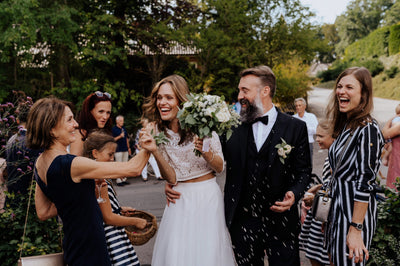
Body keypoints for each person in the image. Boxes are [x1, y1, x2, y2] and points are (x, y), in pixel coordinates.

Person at [27, 97, 175, 265]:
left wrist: (82, 195)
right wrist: (148, 140)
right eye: (69, 120)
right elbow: (132, 168)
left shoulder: (40, 161)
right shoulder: (70, 164)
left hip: (73, 246)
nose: (76, 124)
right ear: (52, 130)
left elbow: (43, 211)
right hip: (91, 249)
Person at [218, 65, 312, 265]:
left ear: (265, 91)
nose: (239, 95)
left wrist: (294, 194)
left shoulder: (295, 127)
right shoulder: (230, 127)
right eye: (239, 90)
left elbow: (303, 171)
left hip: (282, 220)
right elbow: (211, 161)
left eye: (245, 90)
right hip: (243, 221)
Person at [143, 74, 236, 266]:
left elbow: (219, 168)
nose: (162, 102)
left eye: (168, 97)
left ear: (181, 99)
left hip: (207, 196)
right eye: (159, 98)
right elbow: (171, 176)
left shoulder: (202, 125)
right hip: (179, 198)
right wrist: (155, 151)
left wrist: (205, 151)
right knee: (177, 255)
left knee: (208, 254)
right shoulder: (157, 131)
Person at [325, 67, 384, 265]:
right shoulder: (349, 125)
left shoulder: (368, 129)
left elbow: (365, 182)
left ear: (363, 95)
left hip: (353, 218)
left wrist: (355, 230)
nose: (341, 91)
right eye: (339, 86)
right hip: (338, 214)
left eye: (349, 87)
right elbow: (340, 172)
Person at [82, 131, 147, 266]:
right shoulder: (99, 180)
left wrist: (119, 209)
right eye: (109, 154)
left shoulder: (95, 177)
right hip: (112, 237)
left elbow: (99, 208)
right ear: (95, 153)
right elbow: (109, 218)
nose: (112, 159)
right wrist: (135, 221)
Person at [298, 119, 335, 266]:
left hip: (326, 210)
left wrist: (315, 198)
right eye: (316, 136)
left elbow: (336, 186)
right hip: (321, 210)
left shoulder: (336, 157)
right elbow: (330, 182)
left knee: (325, 255)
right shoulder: (330, 154)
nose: (317, 139)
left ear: (333, 136)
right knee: (314, 253)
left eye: (320, 136)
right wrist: (319, 187)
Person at [5, 102, 41, 208]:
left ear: (17, 120)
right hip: (28, 203)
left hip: (11, 199)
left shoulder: (12, 139)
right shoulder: (34, 143)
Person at [70, 91, 113, 157]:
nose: (105, 117)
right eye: (101, 111)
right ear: (89, 112)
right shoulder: (81, 134)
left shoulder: (106, 131)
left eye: (108, 113)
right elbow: (74, 163)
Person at [293, 97, 318, 163]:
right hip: (296, 145)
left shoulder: (311, 117)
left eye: (300, 105)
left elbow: (316, 130)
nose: (298, 107)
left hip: (308, 143)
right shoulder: (293, 118)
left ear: (304, 106)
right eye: (296, 106)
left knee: (308, 163)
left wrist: (304, 129)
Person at [112, 115, 131, 186]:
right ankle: (119, 180)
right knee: (119, 166)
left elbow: (126, 138)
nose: (122, 122)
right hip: (118, 150)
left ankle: (124, 179)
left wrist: (128, 148)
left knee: (125, 165)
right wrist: (120, 136)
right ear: (117, 121)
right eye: (121, 121)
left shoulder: (123, 128)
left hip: (125, 149)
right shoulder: (114, 129)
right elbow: (112, 140)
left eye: (123, 121)